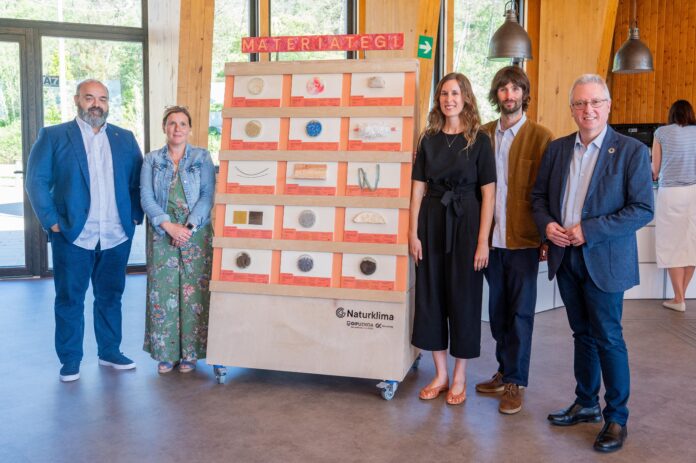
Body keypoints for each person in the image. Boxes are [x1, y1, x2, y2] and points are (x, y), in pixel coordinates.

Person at [531, 74, 653, 452]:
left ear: (608, 106)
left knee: (608, 337)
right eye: (581, 103)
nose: (589, 109)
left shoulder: (631, 151)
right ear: (572, 109)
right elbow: (538, 198)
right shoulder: (557, 149)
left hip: (605, 260)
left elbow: (642, 209)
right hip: (566, 257)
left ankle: (617, 417)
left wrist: (590, 230)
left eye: (595, 102)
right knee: (581, 335)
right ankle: (586, 403)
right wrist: (547, 225)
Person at [25, 79, 143, 382]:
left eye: (102, 98)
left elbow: (137, 181)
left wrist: (133, 216)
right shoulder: (53, 136)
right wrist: (52, 221)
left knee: (111, 297)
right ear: (77, 100)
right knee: (69, 300)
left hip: (116, 235)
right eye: (89, 98)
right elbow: (36, 181)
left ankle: (110, 351)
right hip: (72, 234)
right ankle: (70, 360)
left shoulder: (124, 138)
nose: (96, 104)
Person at [409, 73, 496, 405]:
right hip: (431, 222)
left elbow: (489, 194)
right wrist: (412, 232)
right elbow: (417, 189)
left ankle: (459, 376)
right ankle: (441, 374)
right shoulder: (428, 139)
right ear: (438, 100)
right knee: (431, 296)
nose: (449, 99)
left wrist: (483, 241)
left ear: (466, 98)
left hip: (466, 222)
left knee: (464, 298)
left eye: (455, 93)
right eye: (444, 94)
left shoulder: (480, 140)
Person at [477, 66, 553, 414]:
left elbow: (548, 191)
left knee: (520, 314)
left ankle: (515, 382)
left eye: (516, 89)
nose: (510, 95)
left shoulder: (541, 137)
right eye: (504, 89)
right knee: (497, 313)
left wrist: (545, 236)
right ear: (497, 95)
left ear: (524, 94)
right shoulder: (482, 134)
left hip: (524, 242)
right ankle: (504, 369)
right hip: (490, 242)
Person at [140, 106, 215, 374]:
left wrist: (188, 227)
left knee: (195, 291)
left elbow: (207, 195)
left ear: (189, 128)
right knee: (163, 291)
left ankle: (191, 354)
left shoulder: (202, 157)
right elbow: (146, 197)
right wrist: (169, 226)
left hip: (196, 233)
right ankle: (166, 353)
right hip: (162, 233)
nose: (177, 128)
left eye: (183, 123)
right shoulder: (151, 160)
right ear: (164, 127)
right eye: (172, 123)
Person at [651, 99, 696, 312]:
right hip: (694, 192)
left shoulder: (661, 133)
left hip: (671, 193)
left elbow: (655, 169)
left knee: (672, 245)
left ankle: (679, 299)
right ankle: (681, 296)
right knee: (692, 245)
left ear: (672, 114)